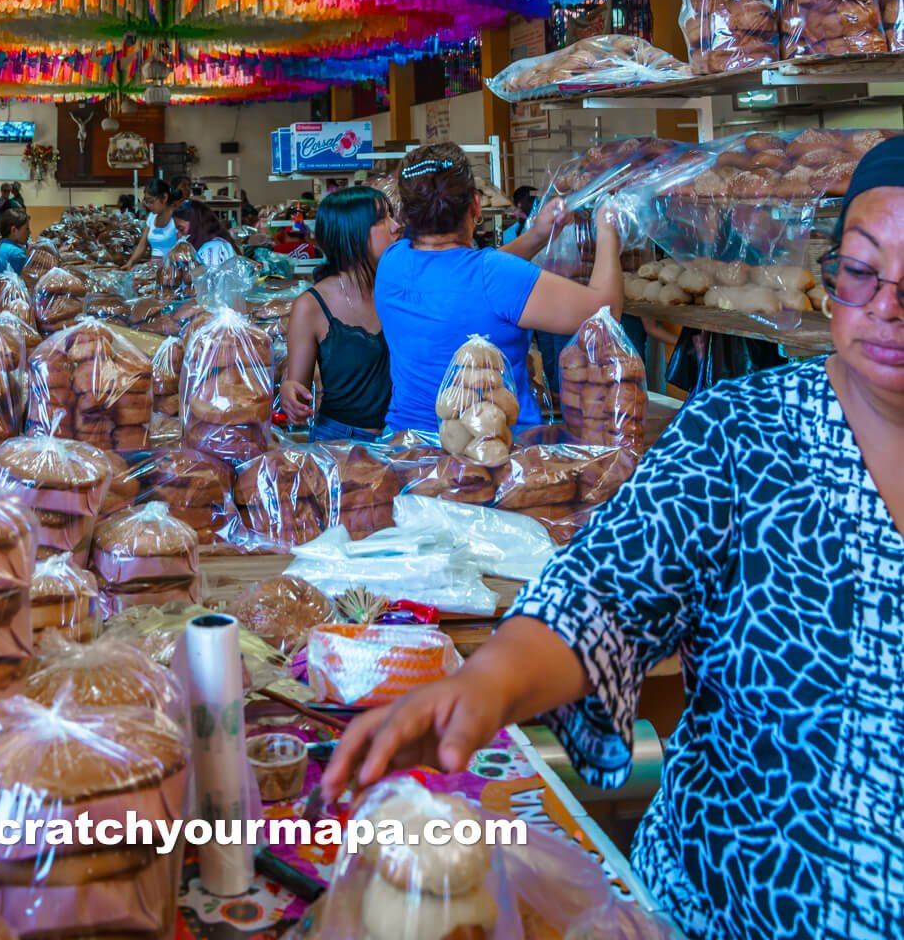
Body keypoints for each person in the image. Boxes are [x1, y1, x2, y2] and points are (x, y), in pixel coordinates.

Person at [325, 133, 904, 940]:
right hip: (724, 909)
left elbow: (498, 272)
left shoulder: (398, 270)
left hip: (417, 465)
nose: (885, 306)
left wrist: (538, 234)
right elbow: (603, 591)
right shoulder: (744, 434)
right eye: (860, 271)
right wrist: (488, 685)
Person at [375, 143, 622, 433]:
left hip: (409, 449)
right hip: (495, 454)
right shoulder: (495, 276)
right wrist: (608, 230)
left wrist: (537, 235)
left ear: (404, 214)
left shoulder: (392, 262)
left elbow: (467, 277)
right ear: (476, 205)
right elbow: (606, 314)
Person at [281, 186, 395, 441]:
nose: (395, 226)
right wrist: (288, 393)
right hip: (338, 443)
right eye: (382, 219)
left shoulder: (400, 290)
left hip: (399, 440)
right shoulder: (310, 307)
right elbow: (296, 385)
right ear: (352, 232)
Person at [131, 179, 180, 265]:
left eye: (151, 201)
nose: (149, 205)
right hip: (154, 269)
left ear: (164, 197)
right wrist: (130, 262)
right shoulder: (151, 217)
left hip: (172, 270)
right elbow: (142, 245)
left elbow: (183, 249)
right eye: (146, 202)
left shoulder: (177, 218)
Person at [177, 198, 237, 270]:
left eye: (181, 229)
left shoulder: (212, 248)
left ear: (196, 225)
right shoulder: (213, 245)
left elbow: (210, 279)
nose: (178, 235)